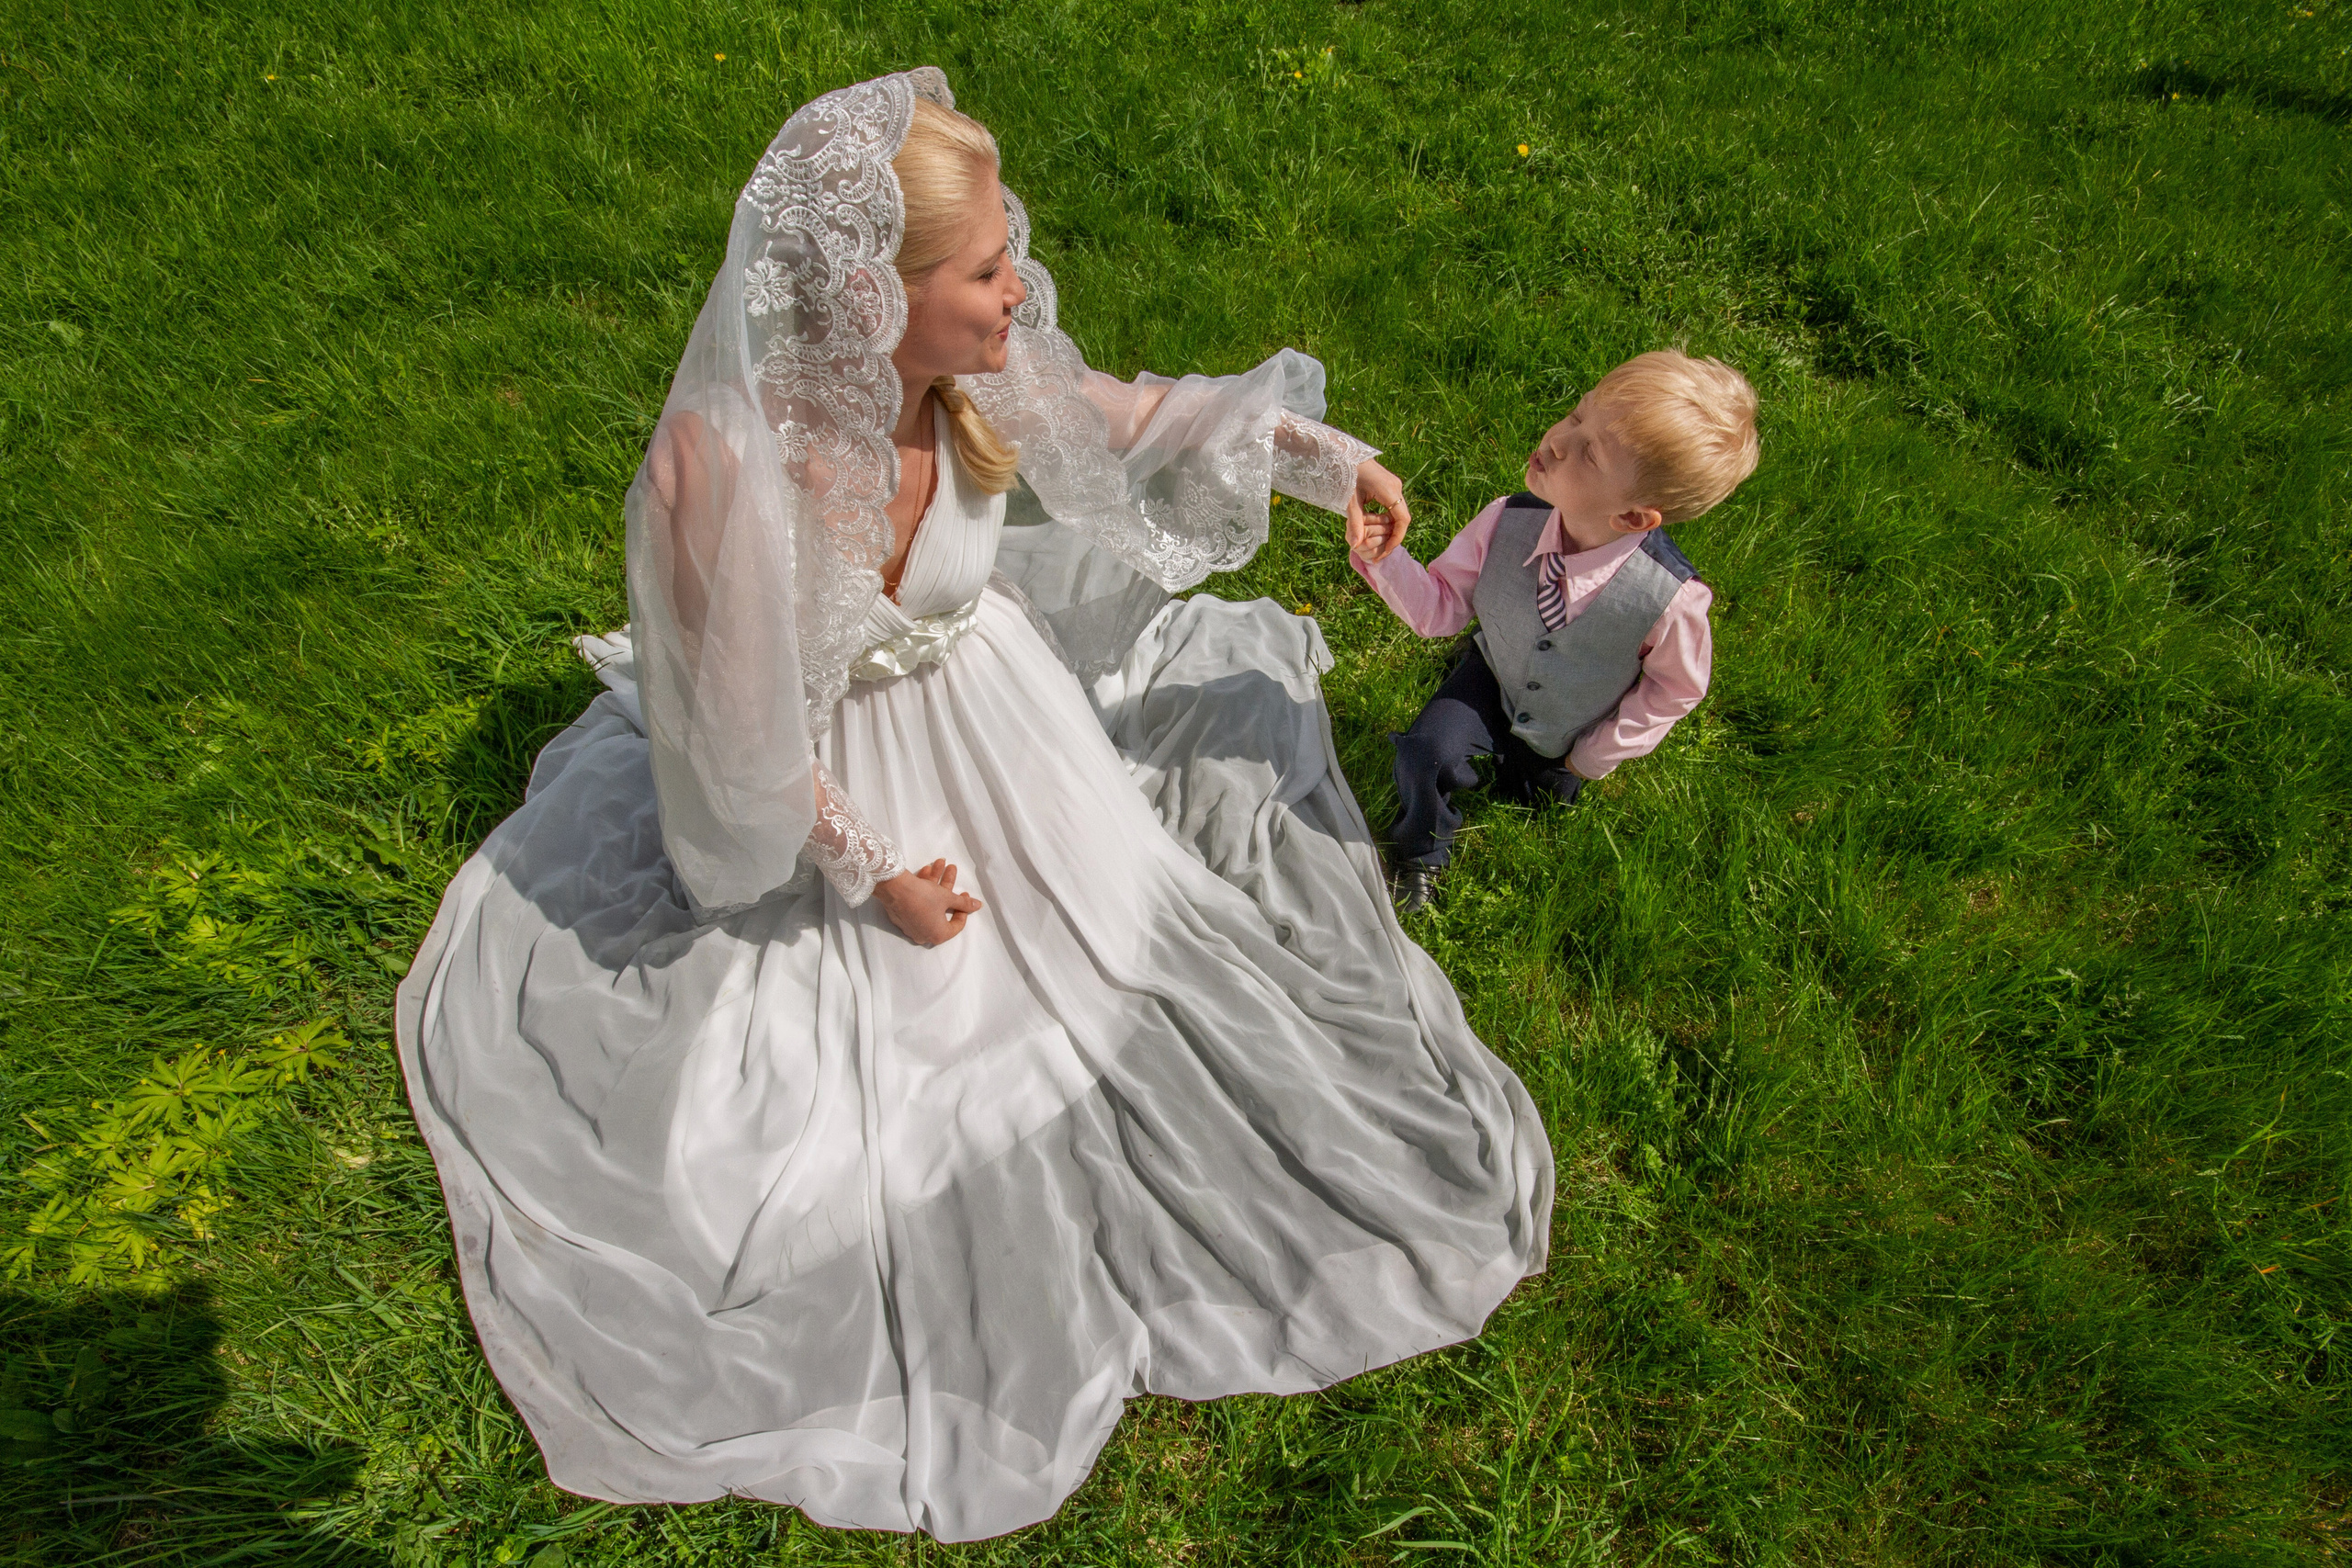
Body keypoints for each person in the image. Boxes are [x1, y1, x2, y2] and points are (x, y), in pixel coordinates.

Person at [395, 69, 1551, 1542]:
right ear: (876, 293)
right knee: (872, 1071)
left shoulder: (981, 376)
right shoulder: (732, 470)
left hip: (1003, 723)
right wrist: (873, 868)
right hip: (840, 780)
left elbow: (1135, 419)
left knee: (1135, 954)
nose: (1022, 291)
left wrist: (1332, 465)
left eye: (1012, 253)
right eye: (989, 266)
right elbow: (741, 738)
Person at [1350, 350, 1759, 911]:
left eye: (1589, 453)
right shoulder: (1505, 520)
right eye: (1575, 414)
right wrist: (1383, 559)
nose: (1559, 439)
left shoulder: (1669, 599)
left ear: (1634, 518)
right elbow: (1441, 609)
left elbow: (1674, 690)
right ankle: (1419, 852)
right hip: (1492, 676)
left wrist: (1587, 758)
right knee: (1426, 753)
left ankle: (1536, 774)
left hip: (1570, 728)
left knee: (1534, 794)